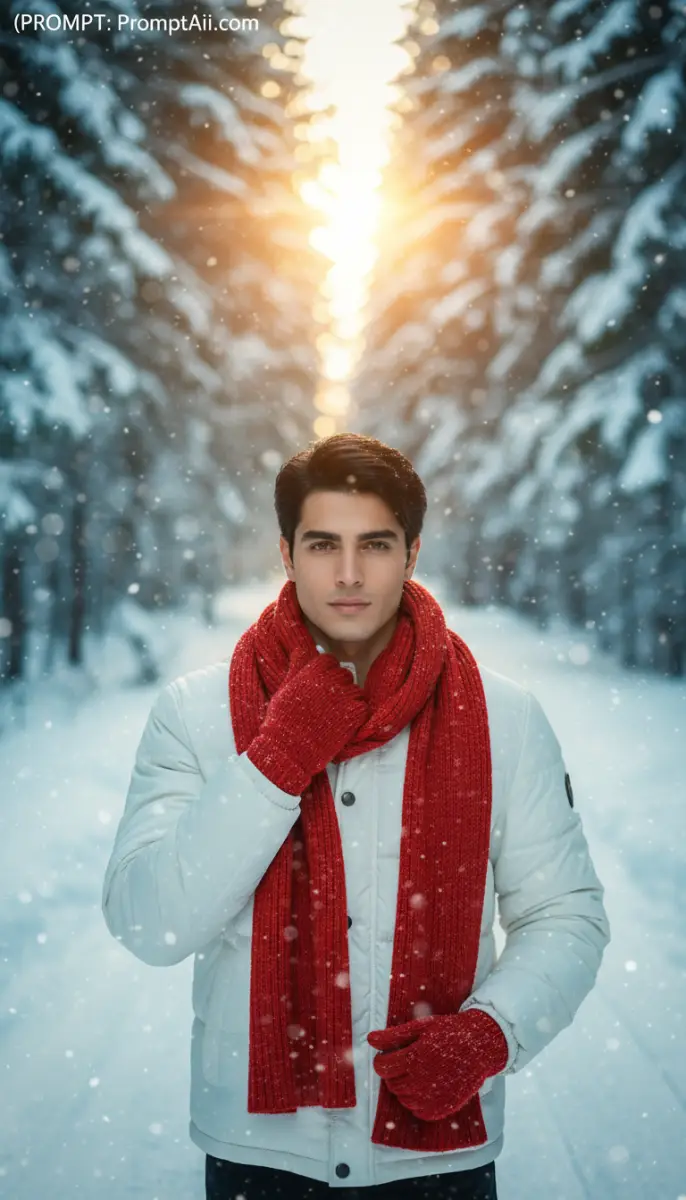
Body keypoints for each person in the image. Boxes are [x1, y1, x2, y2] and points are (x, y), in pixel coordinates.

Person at [101, 433, 611, 1199]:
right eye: (322, 544)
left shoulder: (504, 718)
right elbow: (150, 923)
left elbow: (566, 915)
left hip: (436, 1161)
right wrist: (277, 760)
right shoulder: (196, 714)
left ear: (410, 554)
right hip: (259, 1157)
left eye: (374, 544)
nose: (347, 573)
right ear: (286, 552)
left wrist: (490, 1033)